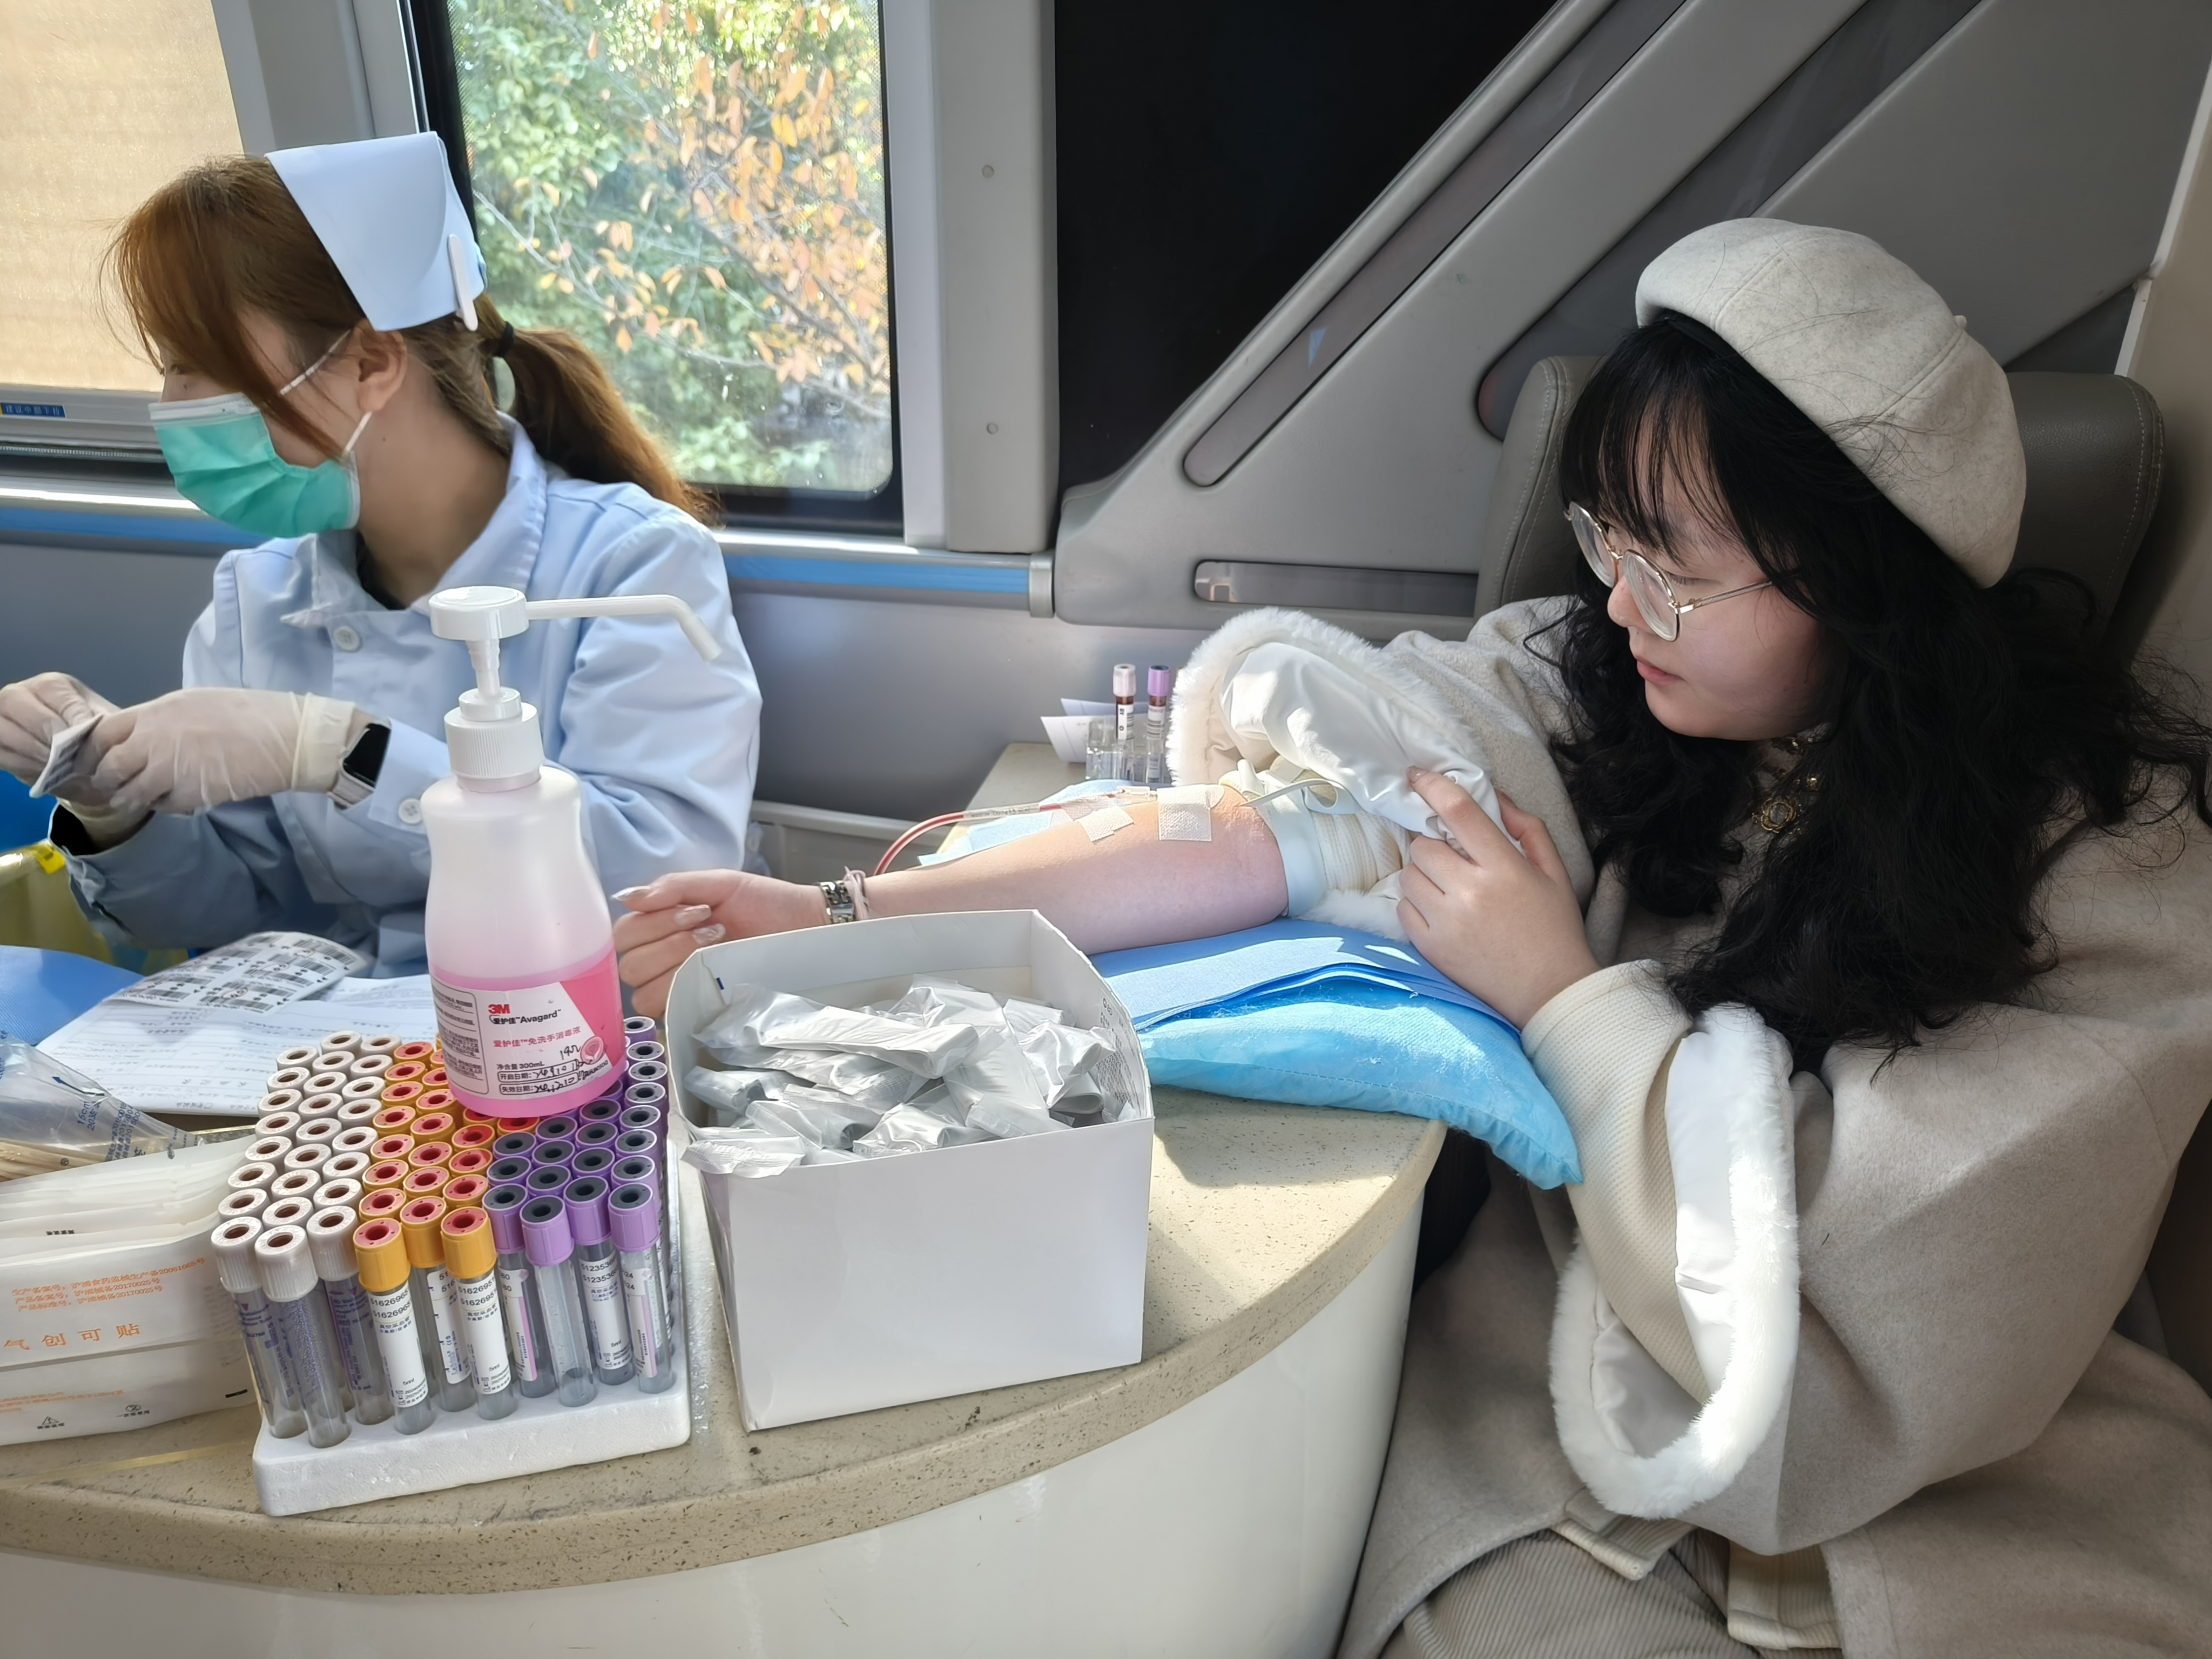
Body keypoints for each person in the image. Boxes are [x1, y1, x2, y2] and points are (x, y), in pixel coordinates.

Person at [615, 220, 2212, 1654]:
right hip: (1559, 1436)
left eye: (1680, 574)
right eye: (1610, 540)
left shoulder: (2105, 863)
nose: (1622, 607)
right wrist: (838, 915)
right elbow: (1262, 831)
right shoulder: (1584, 685)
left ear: (1865, 585)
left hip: (1975, 1498)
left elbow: (1881, 1308)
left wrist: (1561, 993)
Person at [0, 134, 760, 973]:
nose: (173, 405)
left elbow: (660, 887)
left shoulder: (635, 566)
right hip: (350, 1044)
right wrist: (115, 810)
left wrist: (346, 752)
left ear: (370, 363)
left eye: (195, 363)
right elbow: (224, 914)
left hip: (563, 1028)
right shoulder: (258, 597)